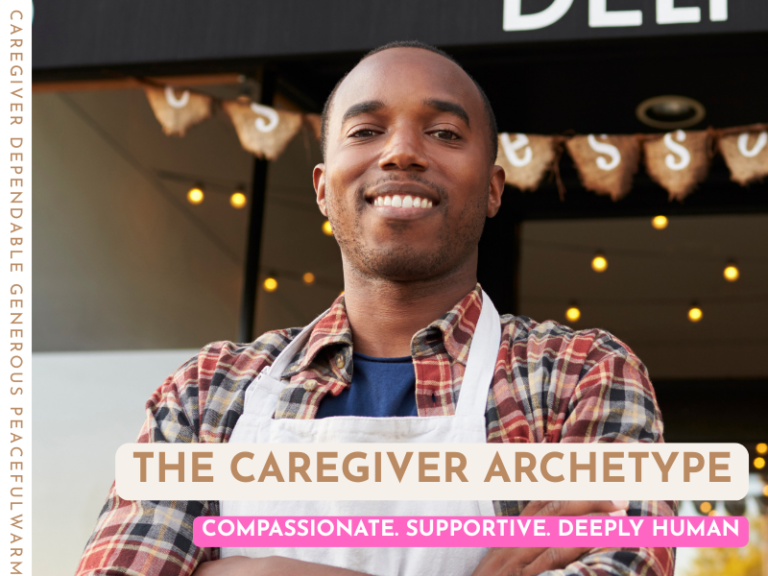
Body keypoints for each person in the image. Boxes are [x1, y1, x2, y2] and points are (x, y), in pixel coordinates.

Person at [76, 41, 675, 576]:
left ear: (493, 189)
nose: (401, 153)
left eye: (444, 132)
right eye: (365, 132)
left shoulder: (581, 374)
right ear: (322, 189)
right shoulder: (206, 392)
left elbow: (627, 563)